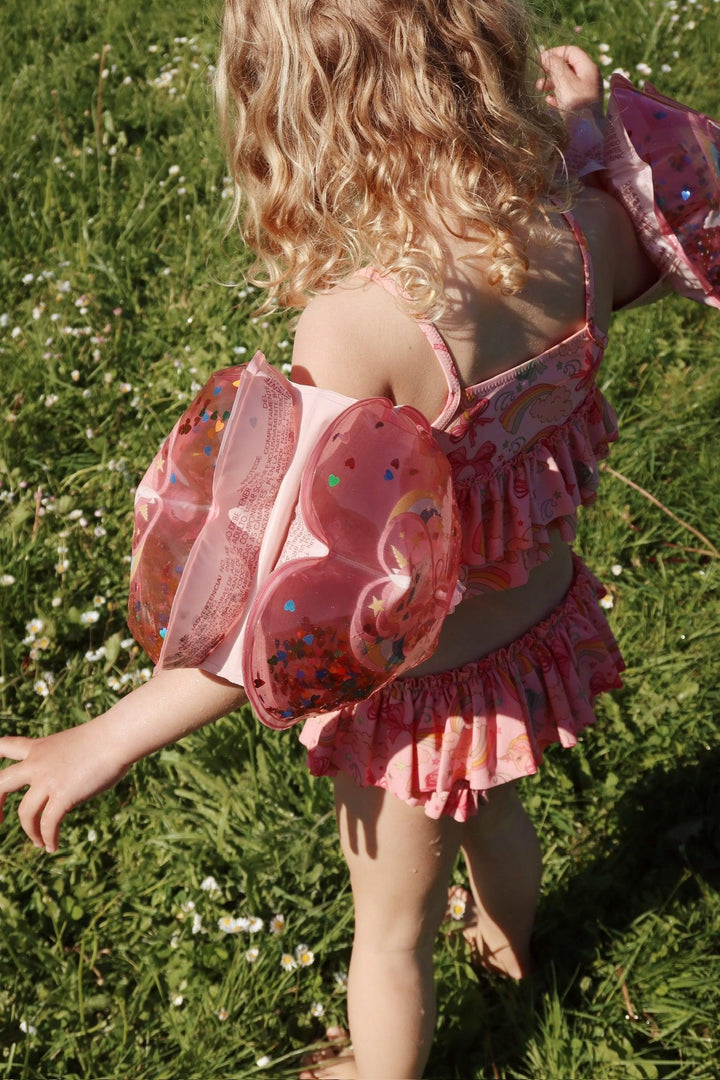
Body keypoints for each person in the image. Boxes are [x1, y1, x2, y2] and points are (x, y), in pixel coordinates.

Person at [1, 1, 712, 1077]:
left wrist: (107, 736)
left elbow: (284, 593)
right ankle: (513, 955)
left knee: (388, 933)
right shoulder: (582, 227)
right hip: (536, 624)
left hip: (420, 690)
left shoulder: (358, 325)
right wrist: (576, 128)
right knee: (498, 812)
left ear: (296, 113)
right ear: (482, 60)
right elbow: (633, 238)